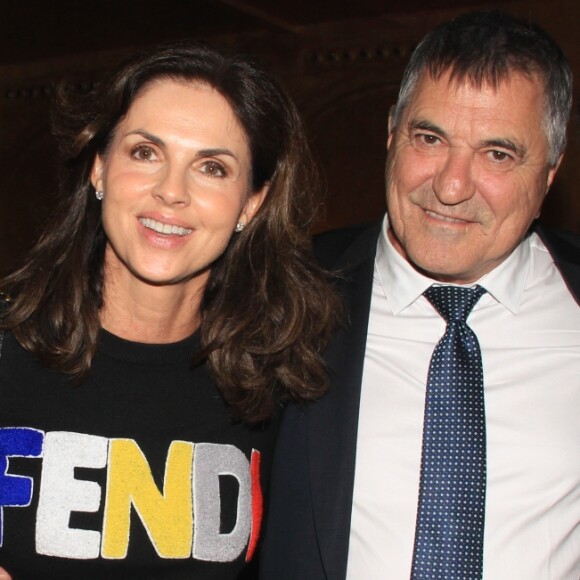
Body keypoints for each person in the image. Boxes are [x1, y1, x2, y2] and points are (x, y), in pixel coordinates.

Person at [0, 41, 340, 578]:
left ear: (252, 203)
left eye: (211, 168)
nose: (171, 192)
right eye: (145, 153)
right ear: (99, 168)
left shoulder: (276, 386)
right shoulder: (7, 348)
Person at [261, 10, 580, 579]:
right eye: (429, 139)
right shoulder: (282, 293)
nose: (451, 186)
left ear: (550, 173)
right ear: (391, 133)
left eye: (498, 154)